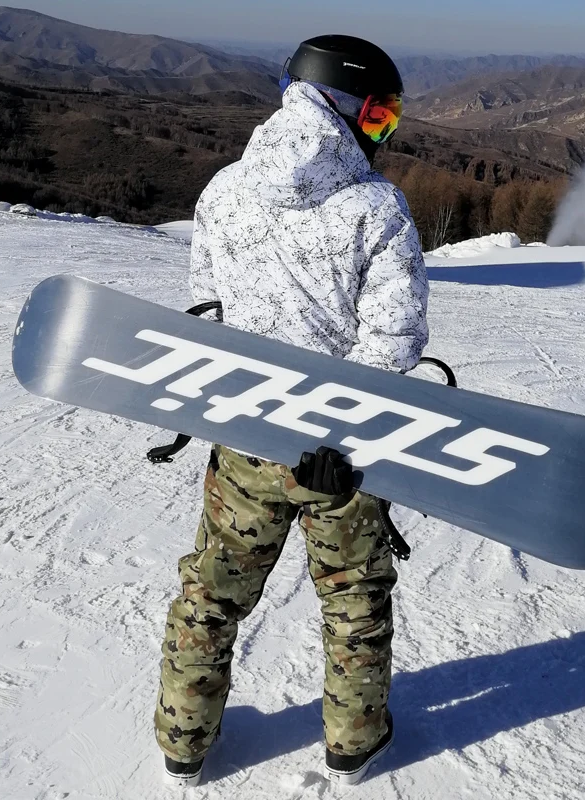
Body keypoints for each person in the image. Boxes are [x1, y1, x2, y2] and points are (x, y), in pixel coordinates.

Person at [154, 35, 429, 788]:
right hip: (340, 456)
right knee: (353, 600)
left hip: (246, 437)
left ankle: (184, 740)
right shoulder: (376, 205)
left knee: (211, 595)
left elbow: (205, 313)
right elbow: (395, 340)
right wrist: (344, 429)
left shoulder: (223, 189)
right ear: (343, 107)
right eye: (376, 118)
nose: (380, 135)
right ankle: (354, 740)